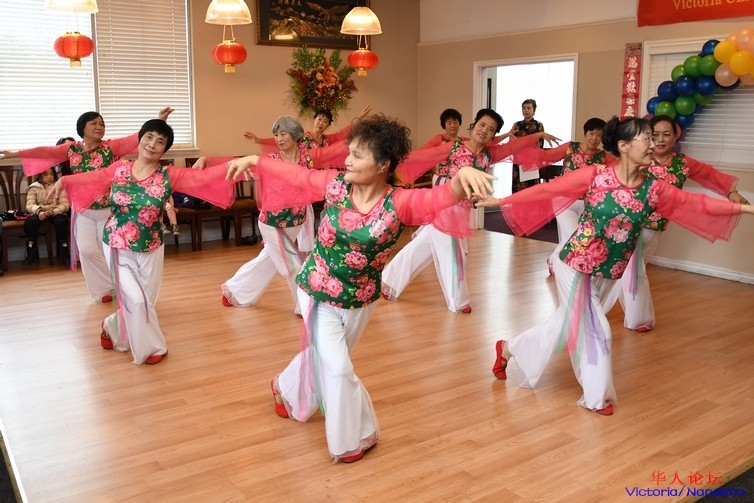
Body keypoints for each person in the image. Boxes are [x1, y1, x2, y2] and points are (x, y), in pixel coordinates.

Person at [224, 114, 496, 463]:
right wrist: (256, 160)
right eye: (349, 152)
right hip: (317, 291)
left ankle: (285, 386)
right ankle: (355, 436)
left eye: (358, 155)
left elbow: (439, 197)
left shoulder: (399, 203)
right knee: (338, 367)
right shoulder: (336, 186)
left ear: (383, 165)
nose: (348, 160)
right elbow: (298, 175)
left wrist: (461, 179)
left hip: (361, 300)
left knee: (327, 355)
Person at [476, 116, 753, 416]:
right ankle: (596, 398)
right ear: (623, 146)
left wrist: (742, 207)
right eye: (646, 138)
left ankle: (507, 348)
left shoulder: (654, 189)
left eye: (653, 138)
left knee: (563, 325)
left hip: (609, 269)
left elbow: (696, 204)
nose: (652, 144)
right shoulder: (595, 176)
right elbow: (548, 190)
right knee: (598, 329)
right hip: (575, 263)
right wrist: (500, 202)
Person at [49, 119, 236, 365]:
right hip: (116, 243)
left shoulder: (169, 174)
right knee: (136, 300)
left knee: (145, 300)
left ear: (165, 149)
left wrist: (223, 162)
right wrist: (64, 181)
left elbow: (204, 178)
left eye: (160, 141)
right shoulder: (119, 168)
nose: (152, 144)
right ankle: (152, 348)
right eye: (149, 137)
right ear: (139, 140)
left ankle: (112, 326)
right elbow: (93, 178)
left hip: (151, 245)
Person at [381, 108, 559, 313]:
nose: (484, 130)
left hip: (462, 208)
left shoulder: (489, 154)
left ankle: (388, 281)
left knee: (423, 245)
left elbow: (512, 146)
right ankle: (459, 301)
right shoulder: (453, 148)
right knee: (453, 251)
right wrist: (385, 159)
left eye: (490, 129)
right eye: (482, 125)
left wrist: (538, 135)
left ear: (493, 135)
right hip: (443, 204)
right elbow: (421, 156)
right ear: (473, 126)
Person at [1, 107, 173, 302]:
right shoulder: (72, 148)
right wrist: (14, 153)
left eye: (102, 124)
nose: (99, 127)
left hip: (108, 210)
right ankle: (105, 289)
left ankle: (125, 290)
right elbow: (46, 152)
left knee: (111, 253)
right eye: (94, 123)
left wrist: (160, 121)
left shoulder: (110, 147)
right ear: (82, 127)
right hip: (83, 209)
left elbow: (139, 139)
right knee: (87, 251)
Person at [604, 114, 748, 332]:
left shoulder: (682, 163)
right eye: (654, 135)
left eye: (666, 134)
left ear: (675, 137)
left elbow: (709, 175)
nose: (660, 140)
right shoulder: (639, 159)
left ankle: (596, 304)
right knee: (634, 271)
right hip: (629, 224)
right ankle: (639, 319)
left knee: (632, 270)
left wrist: (732, 192)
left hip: (656, 228)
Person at [197, 116, 349, 314]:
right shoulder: (270, 161)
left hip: (296, 220)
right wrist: (207, 160)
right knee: (293, 264)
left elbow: (335, 151)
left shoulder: (308, 158)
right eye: (276, 135)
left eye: (283, 134)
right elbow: (235, 162)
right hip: (272, 222)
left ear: (295, 135)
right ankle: (305, 307)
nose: (278, 139)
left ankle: (235, 291)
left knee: (268, 259)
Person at [516, 117, 609, 275]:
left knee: (578, 238)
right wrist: (522, 149)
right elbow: (547, 156)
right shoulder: (570, 148)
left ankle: (553, 261)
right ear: (585, 133)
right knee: (574, 236)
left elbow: (621, 168)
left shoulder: (603, 156)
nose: (594, 138)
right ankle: (565, 270)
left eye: (599, 135)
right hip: (563, 201)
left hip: (588, 204)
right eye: (591, 133)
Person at [245, 106, 372, 154]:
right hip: (304, 174)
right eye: (319, 119)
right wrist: (259, 140)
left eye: (325, 121)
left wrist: (359, 118)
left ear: (328, 125)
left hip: (320, 175)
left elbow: (344, 132)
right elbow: (283, 140)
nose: (321, 123)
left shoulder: (328, 140)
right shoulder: (302, 136)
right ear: (314, 119)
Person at [23, 168, 70, 265]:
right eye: (46, 174)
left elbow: (65, 204)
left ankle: (65, 251)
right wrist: (39, 211)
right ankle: (31, 251)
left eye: (52, 174)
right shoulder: (34, 187)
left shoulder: (59, 186)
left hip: (55, 211)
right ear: (40, 176)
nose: (49, 177)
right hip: (40, 212)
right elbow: (30, 205)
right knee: (31, 221)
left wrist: (53, 212)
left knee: (61, 221)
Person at [507, 98, 546, 193]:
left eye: (529, 108)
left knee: (532, 190)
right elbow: (510, 141)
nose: (526, 110)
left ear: (534, 111)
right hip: (518, 160)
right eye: (524, 108)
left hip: (532, 160)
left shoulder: (539, 125)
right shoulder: (517, 125)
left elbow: (540, 144)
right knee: (518, 189)